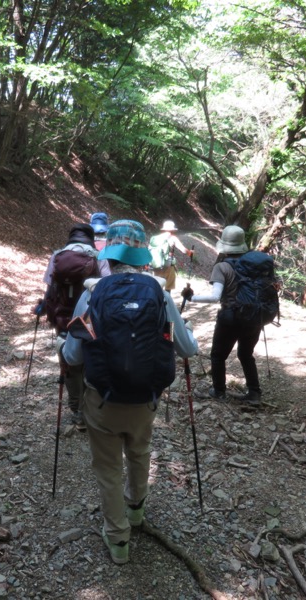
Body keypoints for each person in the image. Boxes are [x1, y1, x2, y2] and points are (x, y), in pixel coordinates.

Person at [61, 219, 199, 564]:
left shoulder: (92, 294)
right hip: (144, 400)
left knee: (108, 468)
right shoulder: (160, 295)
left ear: (110, 256)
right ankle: (136, 511)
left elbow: (73, 355)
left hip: (101, 400)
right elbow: (188, 349)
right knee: (139, 453)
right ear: (141, 257)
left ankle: (118, 540)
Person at [39, 224, 110, 431]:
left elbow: (49, 285)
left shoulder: (58, 256)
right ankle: (91, 409)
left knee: (68, 361)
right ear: (90, 238)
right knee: (89, 358)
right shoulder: (98, 256)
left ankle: (75, 409)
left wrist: (44, 308)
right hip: (90, 319)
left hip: (62, 317)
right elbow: (106, 286)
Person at [183, 225, 263, 408]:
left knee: (218, 355)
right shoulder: (253, 265)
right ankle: (254, 393)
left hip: (231, 316)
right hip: (253, 316)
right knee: (246, 354)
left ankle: (218, 391)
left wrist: (191, 297)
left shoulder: (222, 267)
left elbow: (214, 297)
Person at [149, 220, 193, 292]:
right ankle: (166, 301)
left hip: (156, 265)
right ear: (172, 229)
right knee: (167, 288)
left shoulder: (155, 238)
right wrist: (190, 252)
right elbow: (183, 250)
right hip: (168, 266)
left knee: (157, 286)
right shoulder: (173, 238)